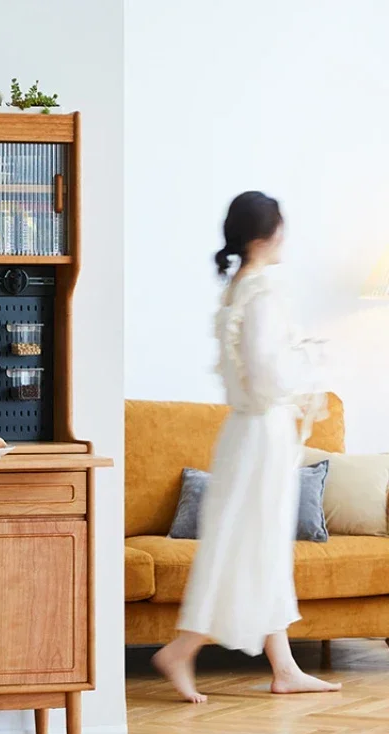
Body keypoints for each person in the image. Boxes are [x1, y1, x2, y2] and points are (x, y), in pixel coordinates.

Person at [152, 191, 342, 703]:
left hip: (250, 432)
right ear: (265, 235)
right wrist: (309, 368)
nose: (286, 235)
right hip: (261, 433)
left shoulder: (238, 290)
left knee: (258, 545)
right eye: (282, 226)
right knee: (247, 545)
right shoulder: (261, 294)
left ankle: (284, 667)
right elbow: (265, 374)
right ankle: (182, 648)